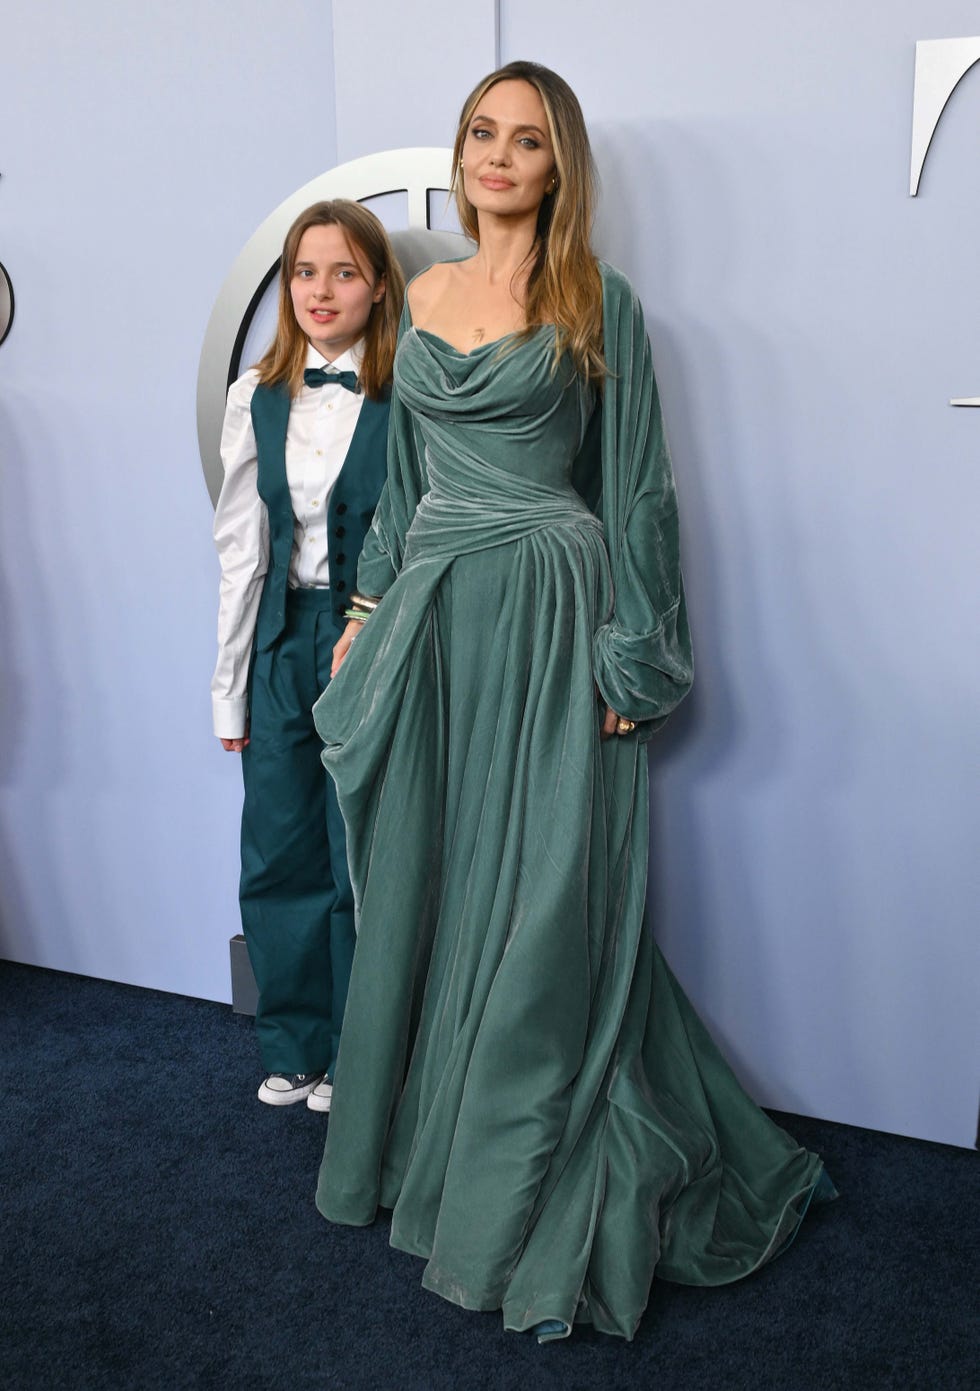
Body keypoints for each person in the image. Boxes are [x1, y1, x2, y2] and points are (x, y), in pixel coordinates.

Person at [312, 63, 835, 1339]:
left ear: (560, 165)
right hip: (439, 619)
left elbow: (639, 489)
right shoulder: (420, 293)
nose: (497, 156)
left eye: (526, 140)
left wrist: (633, 659)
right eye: (481, 134)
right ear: (461, 151)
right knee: (433, 872)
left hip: (552, 612)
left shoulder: (600, 301)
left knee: (547, 898)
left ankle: (521, 1155)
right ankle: (419, 1143)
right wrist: (366, 610)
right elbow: (400, 483)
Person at [211, 200, 404, 1110]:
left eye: (343, 272)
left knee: (357, 850)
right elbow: (241, 549)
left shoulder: (409, 387)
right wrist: (230, 689)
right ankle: (295, 1046)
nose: (320, 291)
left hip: (374, 633)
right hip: (286, 636)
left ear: (378, 286)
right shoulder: (257, 394)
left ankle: (363, 1054)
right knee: (279, 844)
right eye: (303, 272)